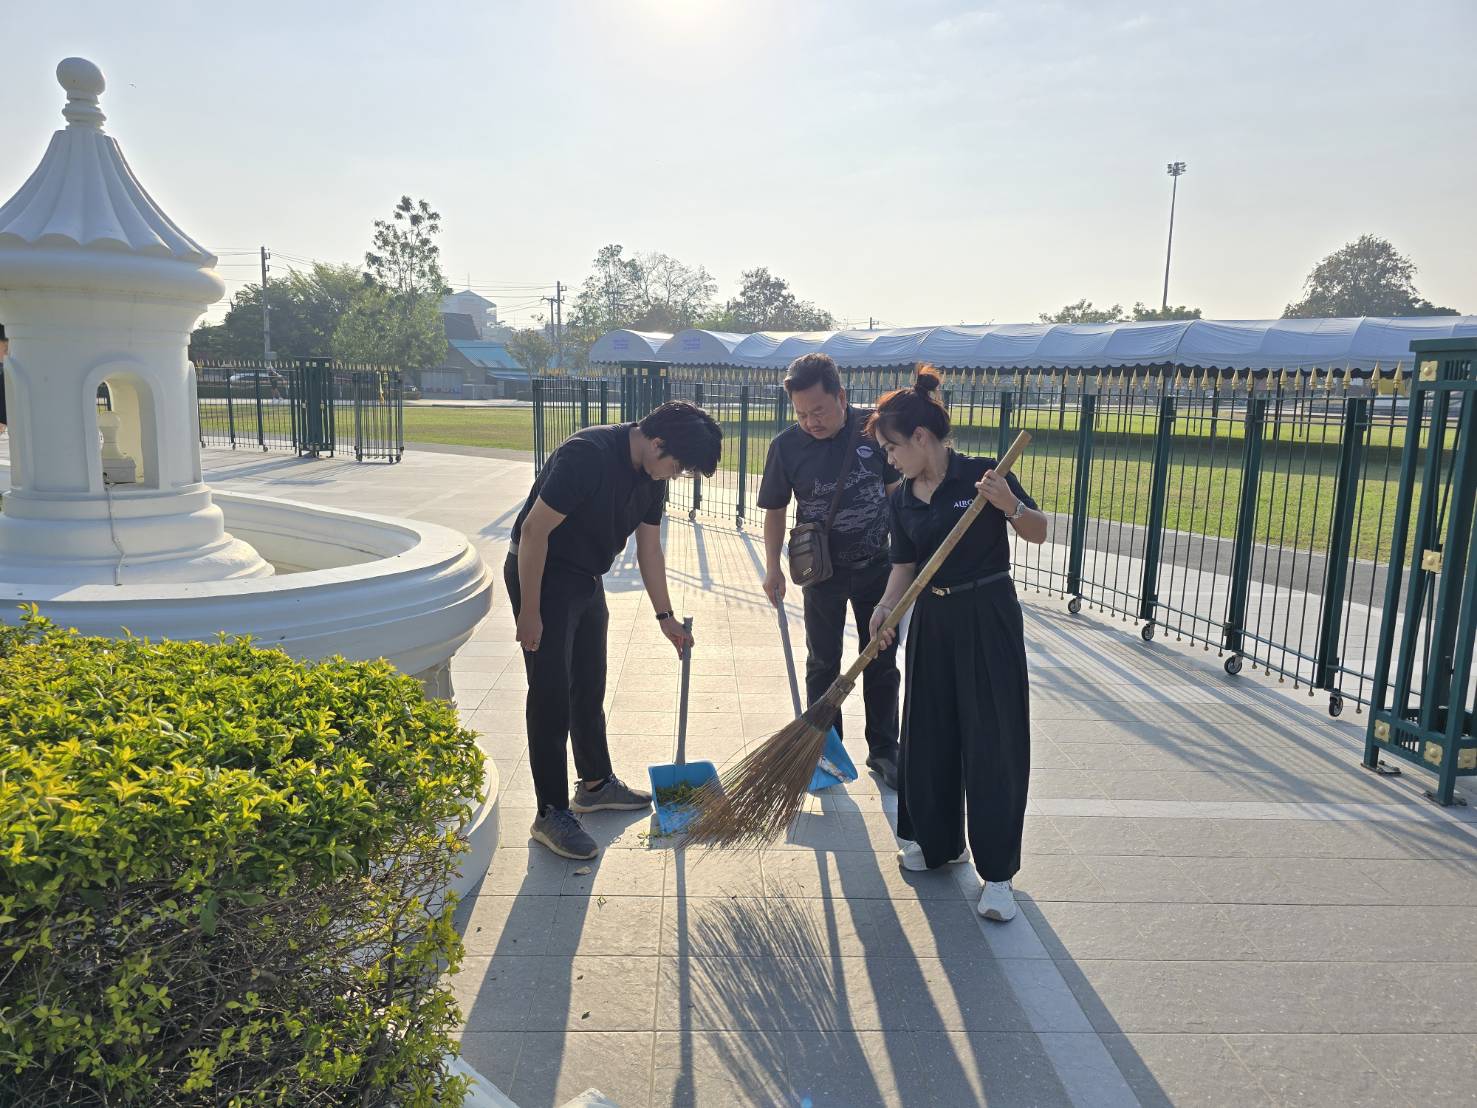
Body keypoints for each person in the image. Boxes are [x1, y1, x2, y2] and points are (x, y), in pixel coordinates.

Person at [866, 368, 1048, 922]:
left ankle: (998, 876)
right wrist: (884, 609)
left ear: (922, 438)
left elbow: (1039, 530)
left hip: (986, 614)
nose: (889, 459)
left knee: (992, 739)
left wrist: (1008, 506)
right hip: (934, 619)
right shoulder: (901, 499)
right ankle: (937, 842)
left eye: (893, 447)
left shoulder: (982, 476)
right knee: (928, 730)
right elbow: (904, 565)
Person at [506, 400, 722, 860]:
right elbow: (533, 533)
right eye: (677, 465)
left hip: (585, 576)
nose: (675, 474)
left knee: (589, 684)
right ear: (657, 441)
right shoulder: (586, 454)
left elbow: (649, 550)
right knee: (549, 694)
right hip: (541, 574)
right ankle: (549, 812)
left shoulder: (651, 476)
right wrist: (529, 610)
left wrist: (666, 618)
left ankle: (596, 784)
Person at [757, 353, 904, 788]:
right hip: (820, 572)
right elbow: (775, 510)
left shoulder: (876, 432)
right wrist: (772, 568)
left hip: (878, 567)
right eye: (801, 413)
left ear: (841, 396)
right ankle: (826, 749)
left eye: (818, 411)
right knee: (823, 662)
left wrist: (906, 560)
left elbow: (897, 496)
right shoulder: (786, 446)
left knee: (881, 657)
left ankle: (884, 749)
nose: (810, 421)